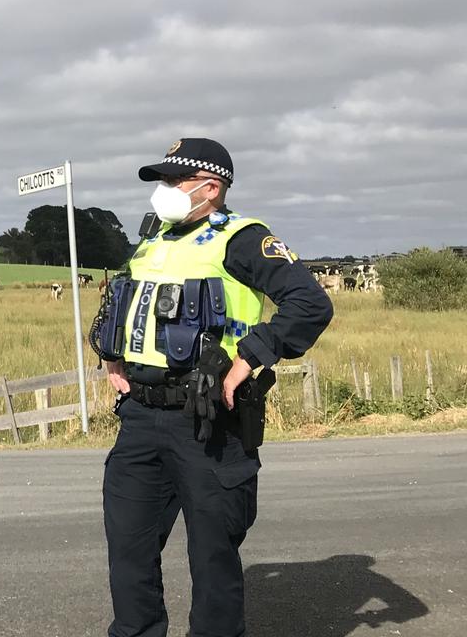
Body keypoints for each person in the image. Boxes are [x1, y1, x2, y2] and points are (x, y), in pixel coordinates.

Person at [98, 138, 333, 637]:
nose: (163, 191)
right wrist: (114, 357)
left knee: (212, 557)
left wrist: (251, 357)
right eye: (162, 182)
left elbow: (310, 304)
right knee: (129, 552)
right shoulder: (155, 239)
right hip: (139, 418)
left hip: (208, 419)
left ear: (210, 187)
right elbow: (130, 304)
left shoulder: (244, 238)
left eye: (173, 181)